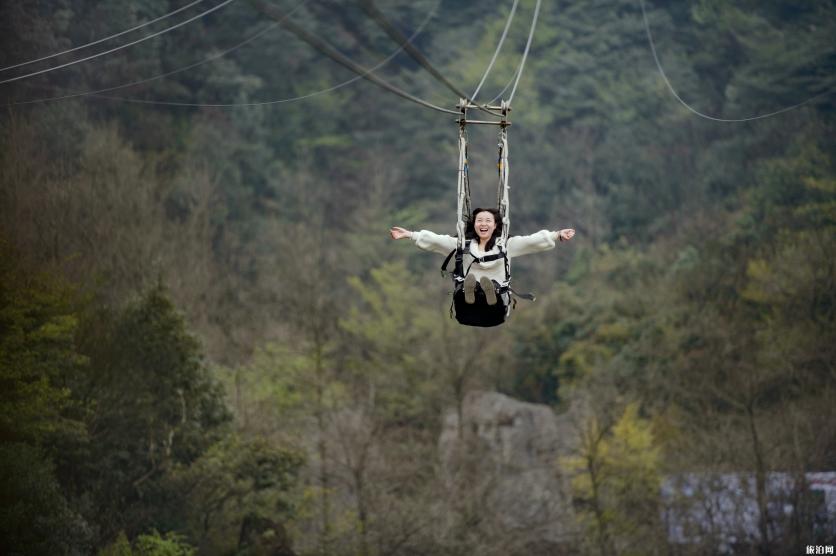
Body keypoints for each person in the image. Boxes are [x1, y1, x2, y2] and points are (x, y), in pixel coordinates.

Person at [390, 207, 575, 306]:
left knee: (491, 285)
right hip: (467, 295)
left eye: (488, 221)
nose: (483, 224)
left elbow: (531, 241)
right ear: (475, 225)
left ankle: (489, 291)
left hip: (498, 293)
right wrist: (410, 234)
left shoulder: (505, 245)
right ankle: (471, 290)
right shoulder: (463, 245)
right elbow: (438, 240)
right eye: (479, 220)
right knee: (469, 281)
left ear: (495, 226)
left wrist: (557, 235)